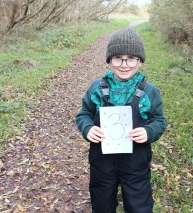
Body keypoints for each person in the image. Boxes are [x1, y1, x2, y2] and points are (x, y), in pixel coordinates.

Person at [75, 27, 167, 213]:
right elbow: (83, 114)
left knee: (139, 205)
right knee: (102, 204)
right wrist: (88, 128)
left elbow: (159, 120)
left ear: (139, 61)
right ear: (109, 61)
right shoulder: (97, 89)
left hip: (135, 164)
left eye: (131, 58)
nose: (124, 64)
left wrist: (149, 132)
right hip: (102, 163)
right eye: (118, 58)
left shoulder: (149, 92)